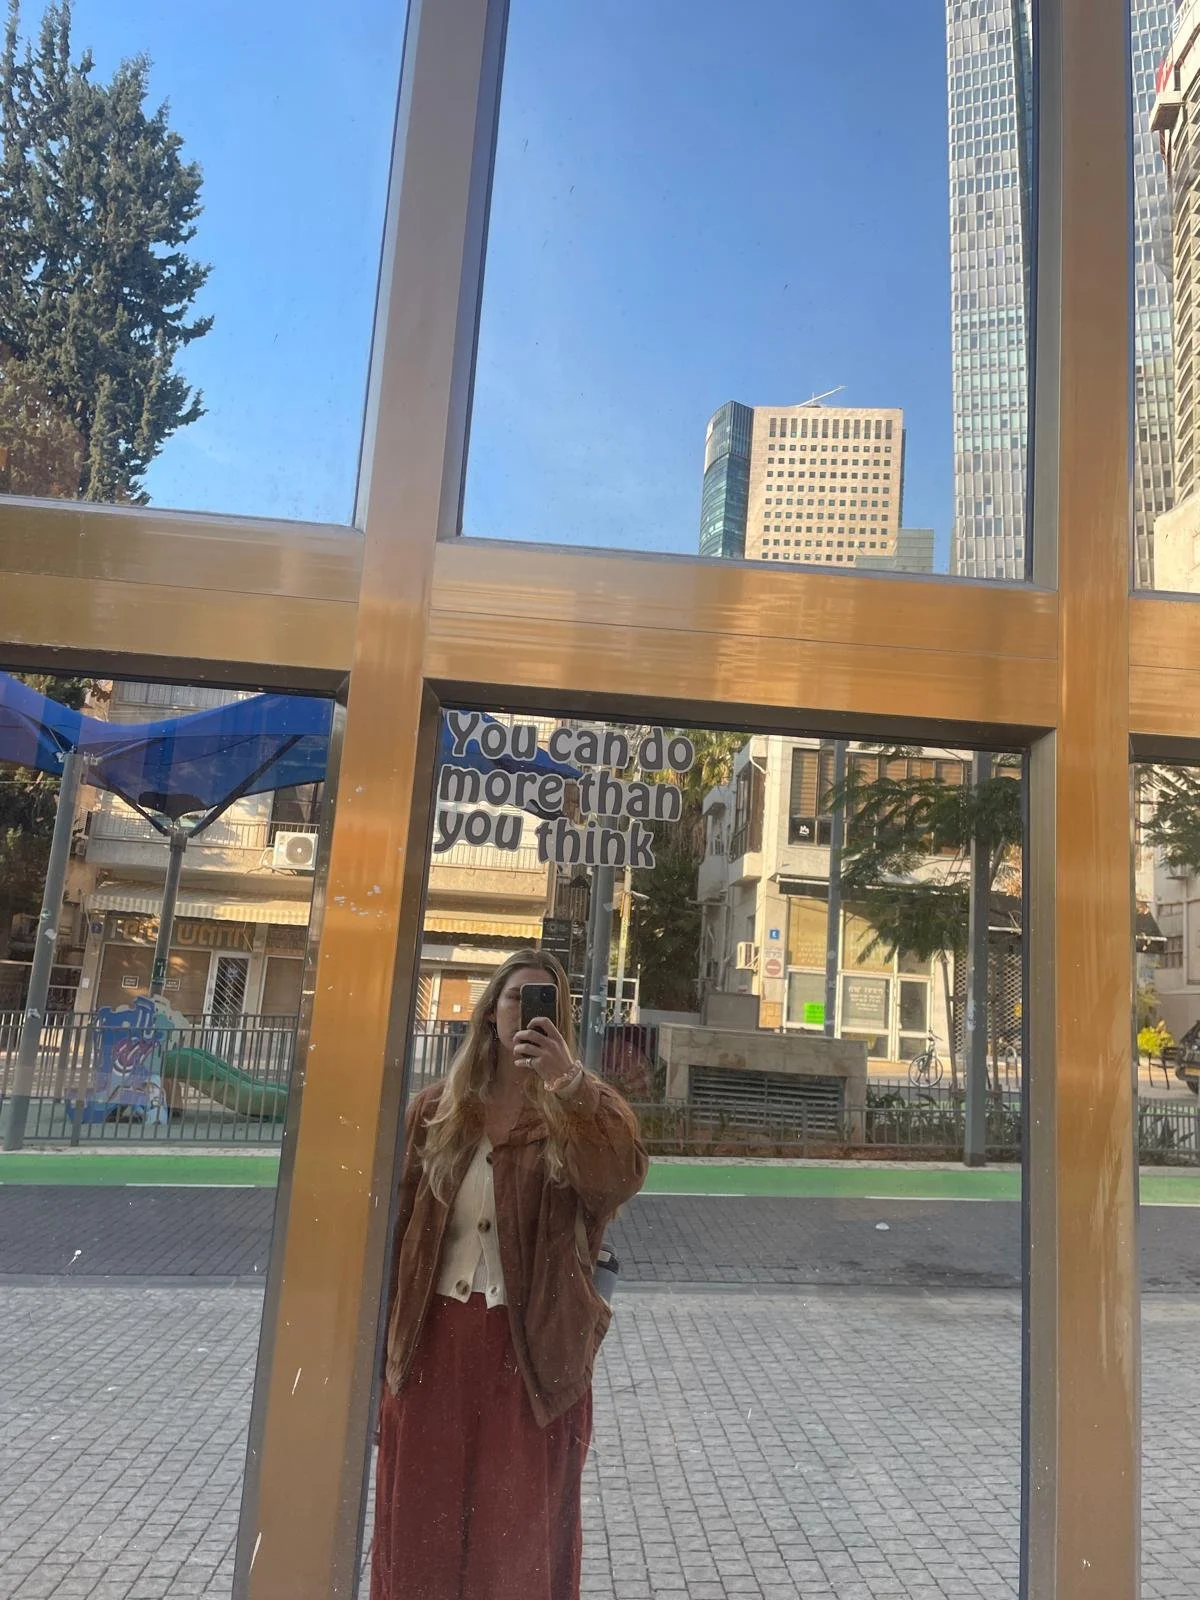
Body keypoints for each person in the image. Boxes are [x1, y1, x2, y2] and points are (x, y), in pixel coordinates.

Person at [371, 948, 648, 1600]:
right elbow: (397, 1236)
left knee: (517, 1544)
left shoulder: (583, 1109)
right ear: (490, 1012)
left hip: (530, 1356)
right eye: (516, 997)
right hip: (432, 1349)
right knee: (422, 1535)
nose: (526, 1011)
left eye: (542, 1000)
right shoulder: (436, 1112)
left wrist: (569, 1085)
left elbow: (618, 1180)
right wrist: (379, 1361)